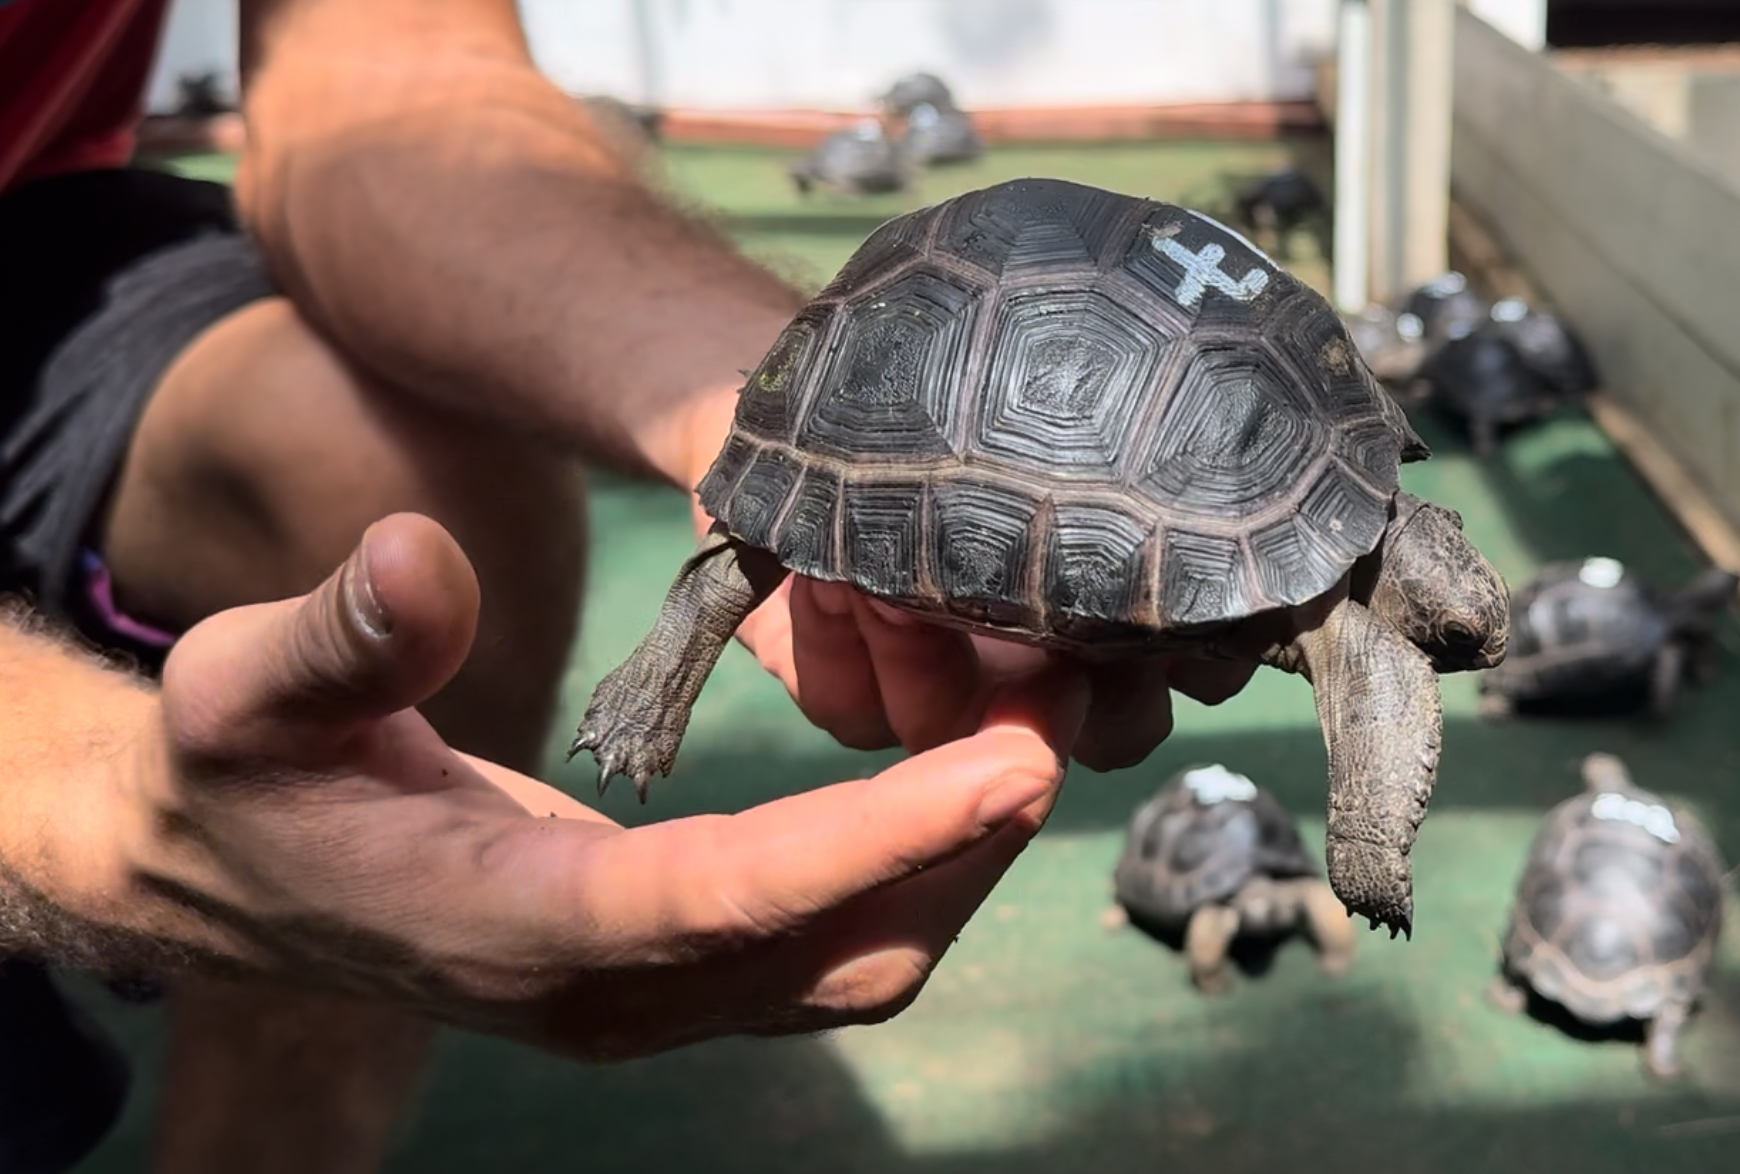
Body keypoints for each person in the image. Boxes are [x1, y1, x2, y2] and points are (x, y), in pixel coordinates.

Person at [0, 1, 1248, 1170]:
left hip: (41, 219)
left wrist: (807, 410)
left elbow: (385, 73)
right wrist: (98, 806)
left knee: (402, 473)